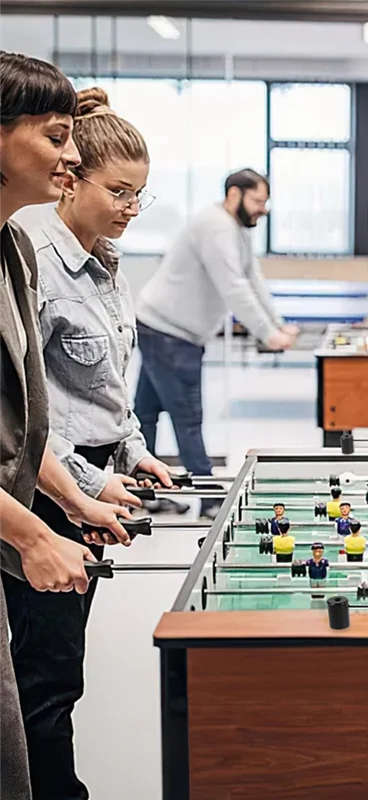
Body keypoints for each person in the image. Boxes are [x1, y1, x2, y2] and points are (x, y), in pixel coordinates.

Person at [9, 86, 177, 800]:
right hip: (43, 491)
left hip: (91, 488)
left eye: (140, 195)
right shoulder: (34, 260)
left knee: (62, 662)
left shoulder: (106, 260)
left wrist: (134, 451)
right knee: (46, 673)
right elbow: (29, 409)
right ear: (70, 177)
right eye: (117, 191)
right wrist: (83, 483)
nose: (129, 209)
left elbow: (108, 385)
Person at [0, 52, 131, 800]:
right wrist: (34, 531)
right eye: (55, 137)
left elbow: (26, 419)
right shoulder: (32, 252)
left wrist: (77, 503)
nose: (72, 154)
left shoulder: (14, 249)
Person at [134, 169, 298, 518]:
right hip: (169, 332)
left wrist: (279, 324)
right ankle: (209, 501)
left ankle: (142, 493)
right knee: (187, 417)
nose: (263, 209)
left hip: (163, 326)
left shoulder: (234, 228)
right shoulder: (215, 227)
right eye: (257, 200)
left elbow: (252, 277)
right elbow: (233, 286)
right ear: (234, 194)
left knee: (145, 414)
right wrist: (267, 334)